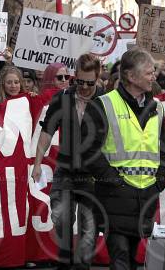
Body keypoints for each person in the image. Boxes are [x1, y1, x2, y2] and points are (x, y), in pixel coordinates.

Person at [80, 48, 165, 270]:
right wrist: (114, 180)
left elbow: (161, 146)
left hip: (145, 194)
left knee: (131, 259)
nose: (153, 77)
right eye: (148, 72)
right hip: (114, 196)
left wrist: (161, 176)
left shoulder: (157, 107)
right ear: (130, 76)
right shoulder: (103, 105)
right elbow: (88, 150)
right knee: (120, 257)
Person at [32, 54, 104, 270]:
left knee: (89, 229)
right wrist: (37, 162)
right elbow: (47, 131)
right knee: (61, 219)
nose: (83, 87)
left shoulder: (106, 99)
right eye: (79, 81)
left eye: (89, 83)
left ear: (98, 77)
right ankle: (64, 262)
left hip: (93, 173)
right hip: (65, 170)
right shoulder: (62, 98)